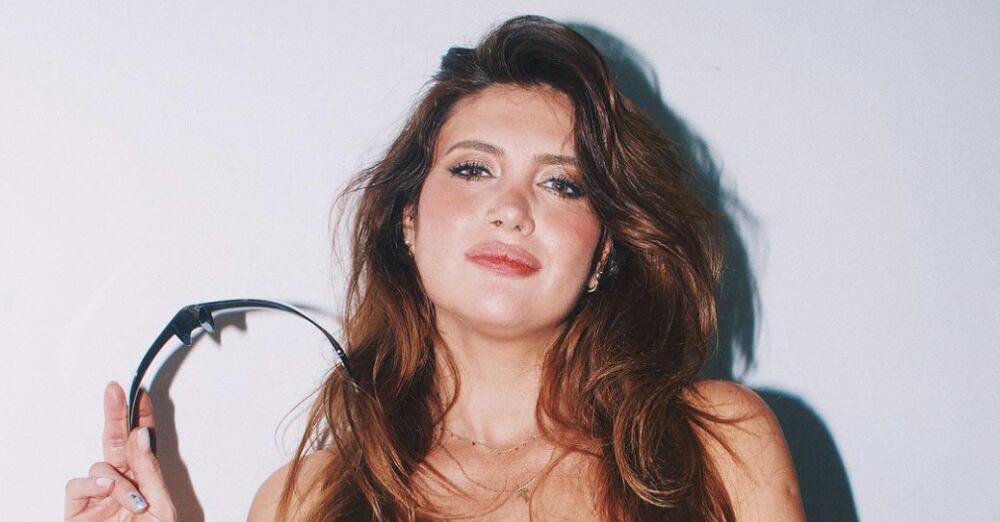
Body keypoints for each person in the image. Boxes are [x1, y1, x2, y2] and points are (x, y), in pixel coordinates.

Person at [64, 15, 805, 522]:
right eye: (473, 169)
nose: (511, 209)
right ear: (408, 221)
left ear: (604, 250)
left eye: (562, 183)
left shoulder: (718, 443)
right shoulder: (304, 501)